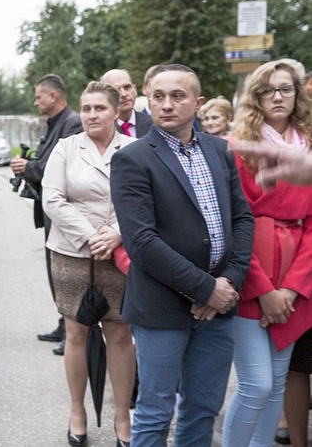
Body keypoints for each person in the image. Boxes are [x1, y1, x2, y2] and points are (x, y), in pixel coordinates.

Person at [110, 64, 255, 445]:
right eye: (158, 97)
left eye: (178, 96)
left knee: (202, 410)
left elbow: (241, 219)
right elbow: (141, 242)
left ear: (198, 102)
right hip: (162, 307)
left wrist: (229, 282)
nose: (167, 105)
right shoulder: (133, 159)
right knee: (155, 413)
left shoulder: (221, 151)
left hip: (218, 308)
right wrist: (206, 288)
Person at [222, 59, 312, 446]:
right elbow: (233, 224)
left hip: (296, 273)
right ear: (255, 97)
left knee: (276, 384)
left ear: (298, 95)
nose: (278, 96)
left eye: (286, 89)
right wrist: (264, 289)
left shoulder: (308, 148)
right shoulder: (237, 147)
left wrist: (292, 289)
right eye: (268, 89)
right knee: (256, 385)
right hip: (251, 273)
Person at [42, 81, 136, 447]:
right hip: (71, 252)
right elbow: (52, 199)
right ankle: (77, 411)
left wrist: (114, 234)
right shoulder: (66, 147)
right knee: (76, 333)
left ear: (116, 112)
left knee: (120, 334)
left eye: (100, 108)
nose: (92, 114)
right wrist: (90, 236)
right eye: (86, 108)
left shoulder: (133, 149)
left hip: (120, 253)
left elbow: (141, 201)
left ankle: (122, 417)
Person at [11, 74, 83, 356]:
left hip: (66, 211)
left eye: (39, 96)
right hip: (52, 210)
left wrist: (27, 167)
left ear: (53, 96)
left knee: (67, 273)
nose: (36, 101)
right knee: (56, 271)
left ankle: (72, 331)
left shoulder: (72, 123)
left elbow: (56, 167)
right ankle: (63, 322)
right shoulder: (56, 123)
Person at [101, 69, 153, 139]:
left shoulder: (154, 125)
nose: (124, 94)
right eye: (116, 90)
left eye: (127, 87)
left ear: (134, 89)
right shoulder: (102, 130)